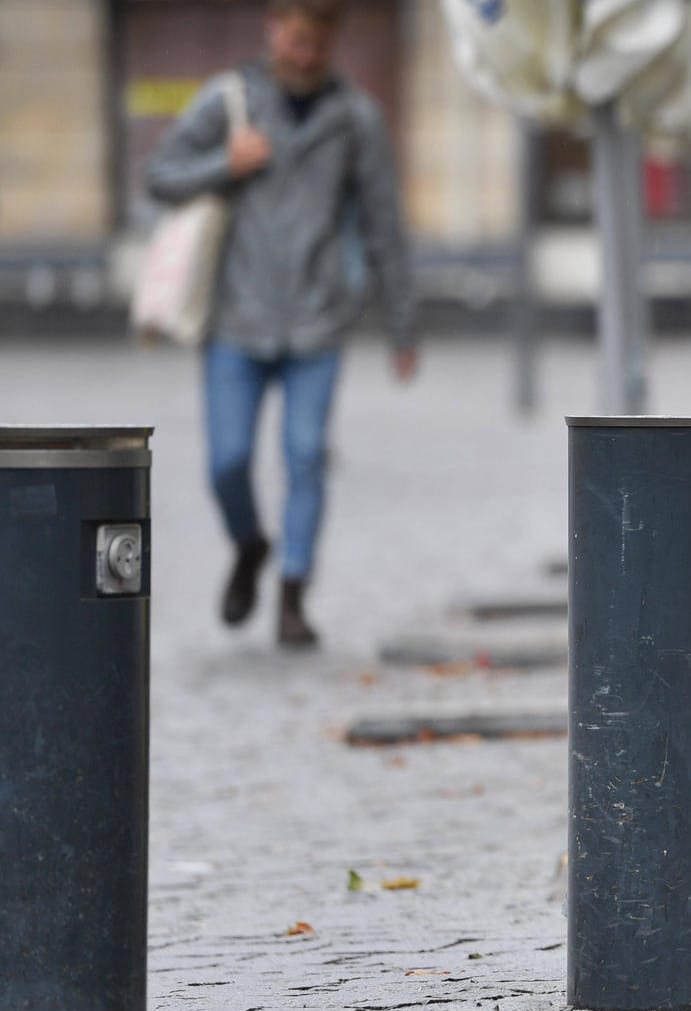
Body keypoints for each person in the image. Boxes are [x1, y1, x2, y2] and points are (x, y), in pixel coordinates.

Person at [146, 0, 416, 648]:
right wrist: (225, 164)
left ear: (333, 42)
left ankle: (293, 595)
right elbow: (158, 175)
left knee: (305, 457)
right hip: (236, 319)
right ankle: (249, 544)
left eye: (318, 44)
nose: (305, 54)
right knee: (227, 462)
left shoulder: (356, 118)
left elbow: (385, 225)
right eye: (296, 40)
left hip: (317, 324)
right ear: (274, 30)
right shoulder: (227, 100)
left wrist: (402, 325)